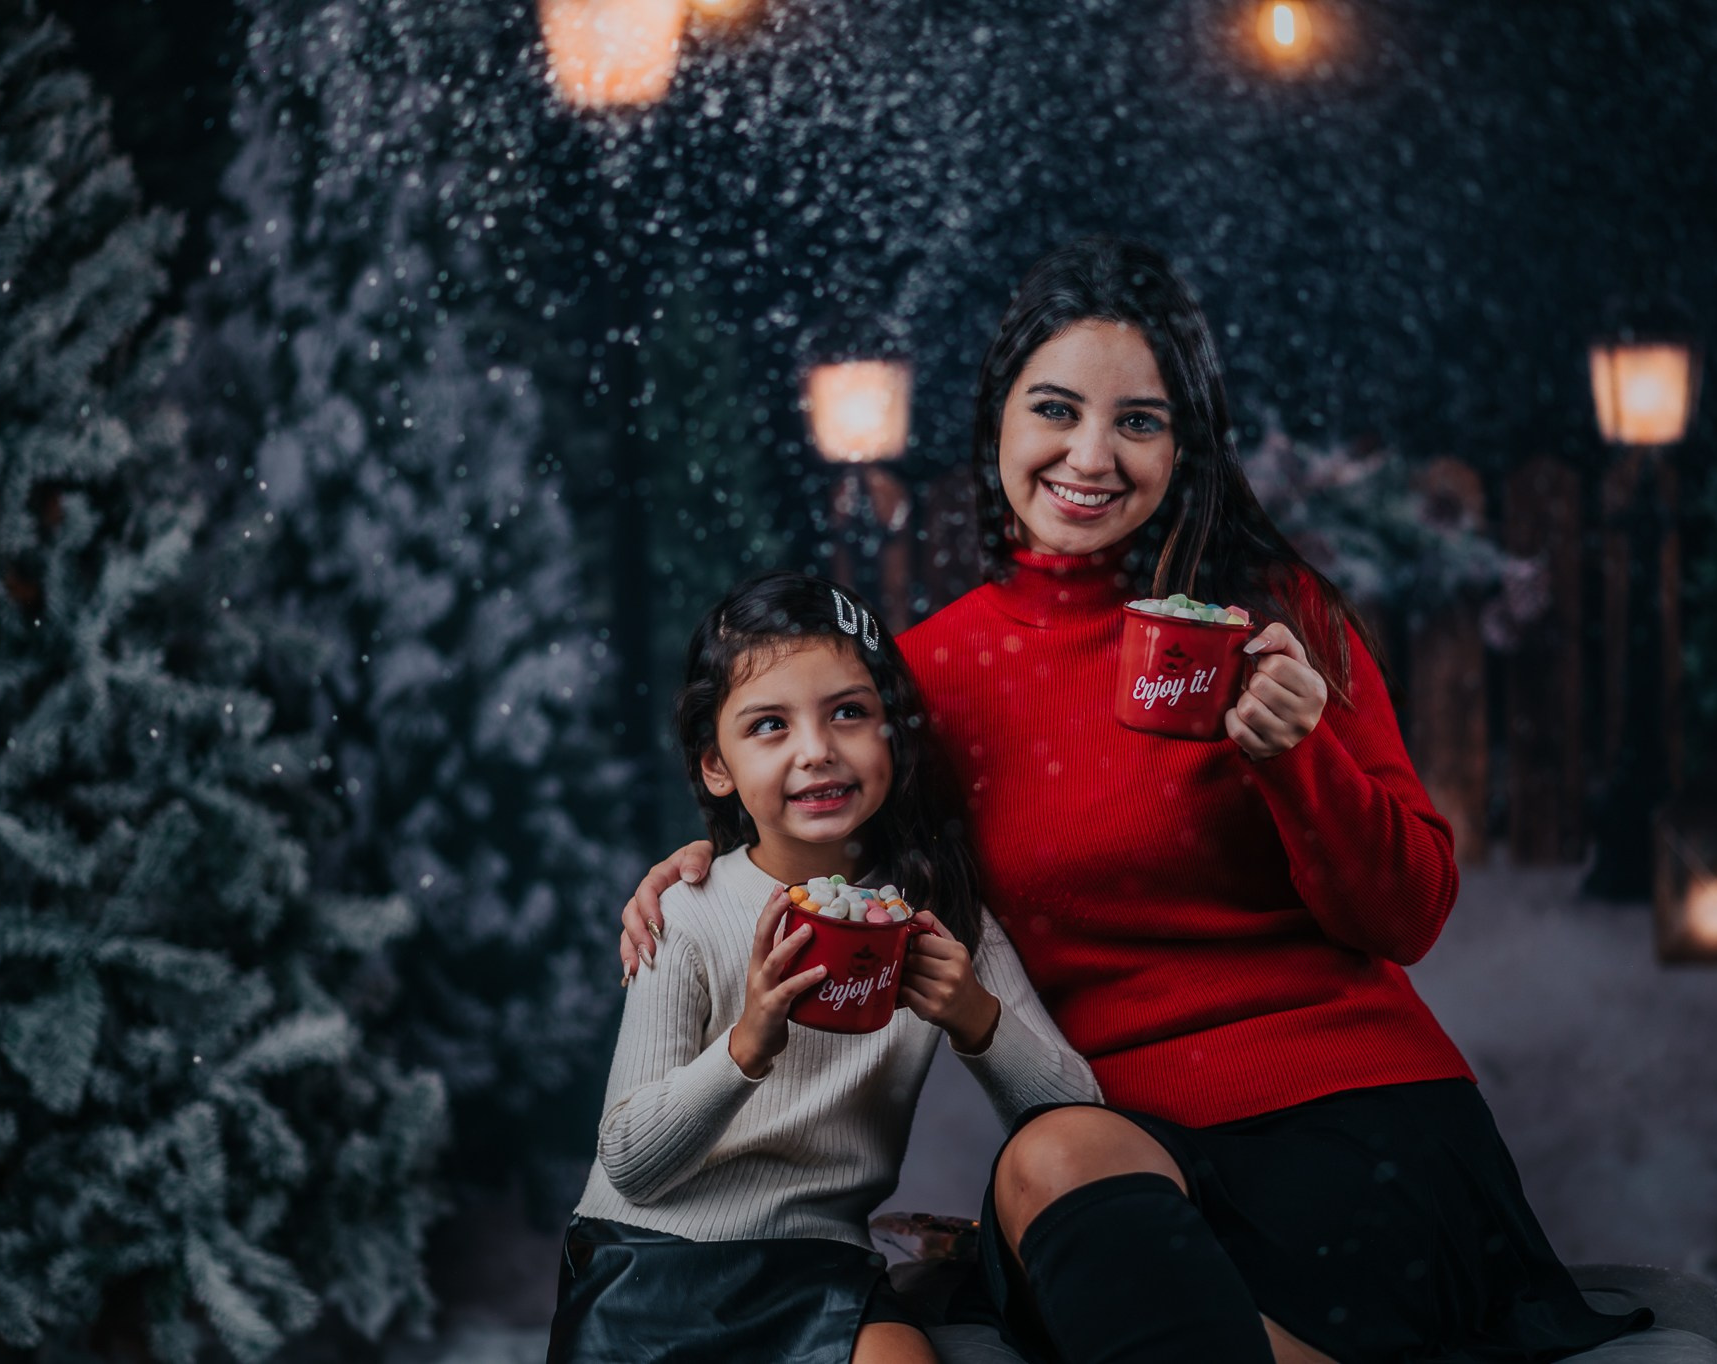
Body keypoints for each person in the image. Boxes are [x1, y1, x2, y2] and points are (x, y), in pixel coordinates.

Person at [615, 239, 1648, 1364]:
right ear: (996, 421)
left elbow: (1407, 914)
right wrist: (711, 858)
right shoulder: (924, 678)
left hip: (1350, 1118)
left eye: (1139, 422)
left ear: (1185, 443)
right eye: (1054, 408)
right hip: (1116, 1146)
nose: (1090, 456)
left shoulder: (1273, 611)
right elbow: (826, 821)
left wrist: (1300, 757)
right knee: (1041, 1159)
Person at [551, 571, 1098, 1364]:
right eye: (769, 726)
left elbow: (1076, 1111)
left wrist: (975, 1016)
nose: (817, 752)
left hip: (824, 1267)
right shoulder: (690, 909)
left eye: (849, 713)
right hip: (648, 1258)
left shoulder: (938, 915)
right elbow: (631, 1165)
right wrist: (747, 1044)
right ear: (717, 766)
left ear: (892, 733)